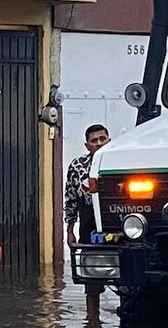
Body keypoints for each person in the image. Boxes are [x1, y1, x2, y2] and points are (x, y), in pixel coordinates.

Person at [64, 124, 111, 313]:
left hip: (118, 226)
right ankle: (92, 326)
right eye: (94, 141)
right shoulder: (77, 166)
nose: (99, 143)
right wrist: (69, 230)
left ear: (109, 140)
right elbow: (71, 199)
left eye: (102, 139)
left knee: (125, 277)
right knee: (91, 280)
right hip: (89, 227)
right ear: (87, 145)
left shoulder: (119, 162)